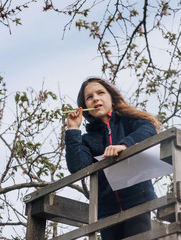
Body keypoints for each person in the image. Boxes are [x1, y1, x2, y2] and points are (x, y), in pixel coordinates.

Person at [65, 76, 161, 239]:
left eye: (100, 93)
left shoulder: (128, 121)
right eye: (89, 97)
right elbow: (77, 166)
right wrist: (73, 129)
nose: (96, 98)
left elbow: (148, 129)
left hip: (138, 201)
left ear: (111, 97)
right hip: (107, 210)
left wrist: (124, 145)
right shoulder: (88, 139)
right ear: (85, 107)